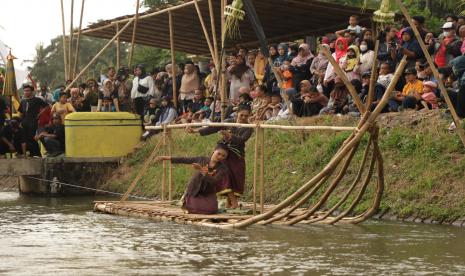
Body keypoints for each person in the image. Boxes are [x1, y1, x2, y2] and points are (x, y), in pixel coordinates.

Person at [187, 104, 253, 209]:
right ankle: (234, 203)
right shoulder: (228, 122)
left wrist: (229, 135)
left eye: (246, 116)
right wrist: (195, 131)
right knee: (226, 178)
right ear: (237, 114)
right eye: (242, 115)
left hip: (237, 158)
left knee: (235, 180)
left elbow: (241, 140)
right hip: (224, 157)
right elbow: (213, 128)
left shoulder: (249, 128)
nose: (244, 118)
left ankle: (230, 203)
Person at [156, 143, 230, 214]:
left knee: (211, 210)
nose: (220, 157)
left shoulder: (223, 169)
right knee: (196, 209)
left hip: (208, 192)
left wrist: (202, 170)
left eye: (223, 156)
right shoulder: (201, 159)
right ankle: (186, 201)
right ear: (214, 151)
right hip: (195, 190)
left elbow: (214, 182)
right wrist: (165, 158)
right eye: (219, 154)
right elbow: (184, 159)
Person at [18, 84, 49, 157]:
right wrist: (20, 122)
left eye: (28, 91)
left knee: (32, 138)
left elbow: (47, 106)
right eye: (25, 91)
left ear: (32, 91)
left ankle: (37, 154)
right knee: (25, 138)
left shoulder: (37, 100)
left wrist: (39, 114)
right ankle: (30, 153)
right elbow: (21, 112)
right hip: (24, 122)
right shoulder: (23, 101)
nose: (26, 92)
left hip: (33, 122)